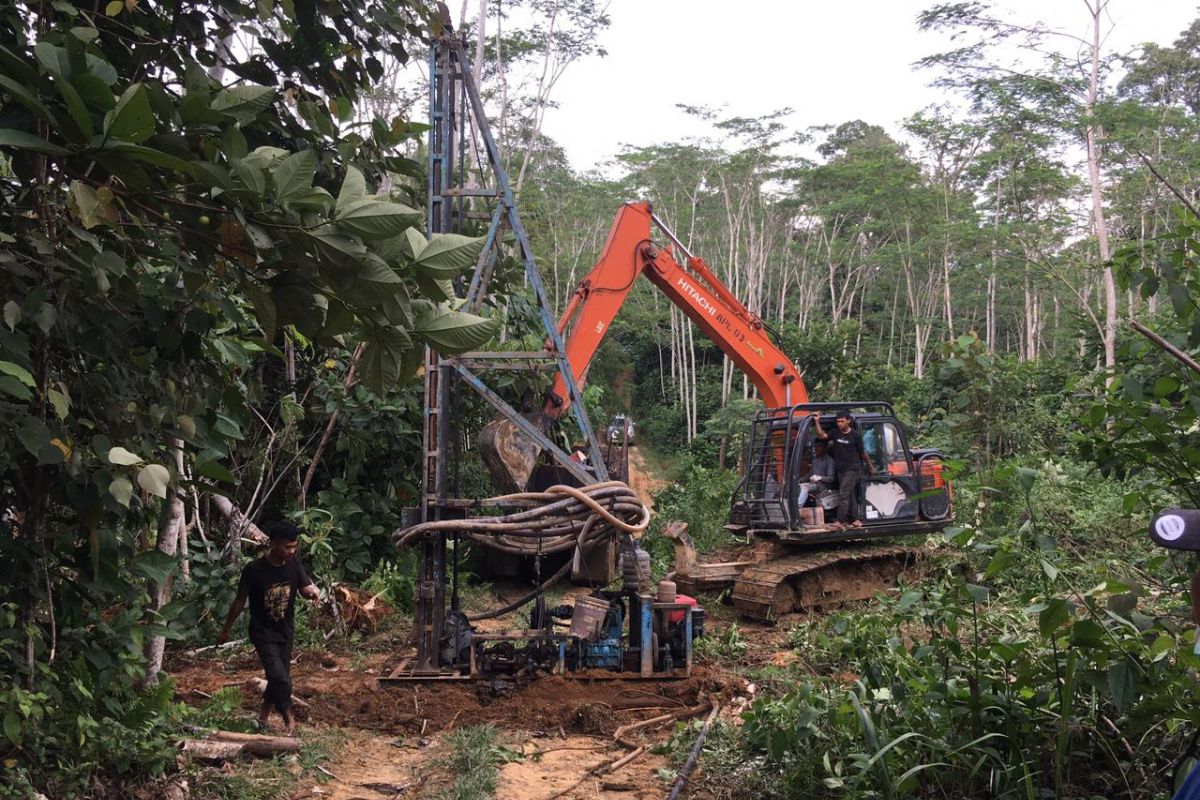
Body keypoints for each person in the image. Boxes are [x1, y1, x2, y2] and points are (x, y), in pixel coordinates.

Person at [217, 521, 321, 734]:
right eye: (287, 547)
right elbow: (239, 601)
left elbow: (303, 587)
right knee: (280, 677)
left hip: (285, 630)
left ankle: (263, 716)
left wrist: (311, 594)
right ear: (273, 544)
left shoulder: (293, 564)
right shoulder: (254, 570)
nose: (292, 551)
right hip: (262, 632)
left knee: (278, 676)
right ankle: (288, 718)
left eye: (295, 547)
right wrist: (226, 630)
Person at [814, 410, 875, 529]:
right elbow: (821, 436)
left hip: (852, 469)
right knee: (849, 494)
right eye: (838, 421)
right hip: (841, 470)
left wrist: (870, 466)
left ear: (848, 421)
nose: (839, 424)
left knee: (843, 493)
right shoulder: (835, 433)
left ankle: (840, 521)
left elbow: (863, 453)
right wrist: (817, 422)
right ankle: (857, 519)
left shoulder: (855, 436)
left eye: (842, 421)